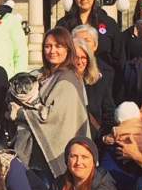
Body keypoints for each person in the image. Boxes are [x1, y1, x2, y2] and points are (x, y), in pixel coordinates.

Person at [13, 27, 89, 180]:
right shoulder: (39, 75)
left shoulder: (69, 79)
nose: (52, 51)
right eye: (47, 46)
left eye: (58, 46)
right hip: (34, 151)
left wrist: (20, 113)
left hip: (53, 152)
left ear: (68, 49)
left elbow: (52, 118)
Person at [56, 0, 122, 73]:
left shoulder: (109, 23)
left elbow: (118, 55)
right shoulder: (64, 24)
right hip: (73, 75)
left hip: (103, 76)